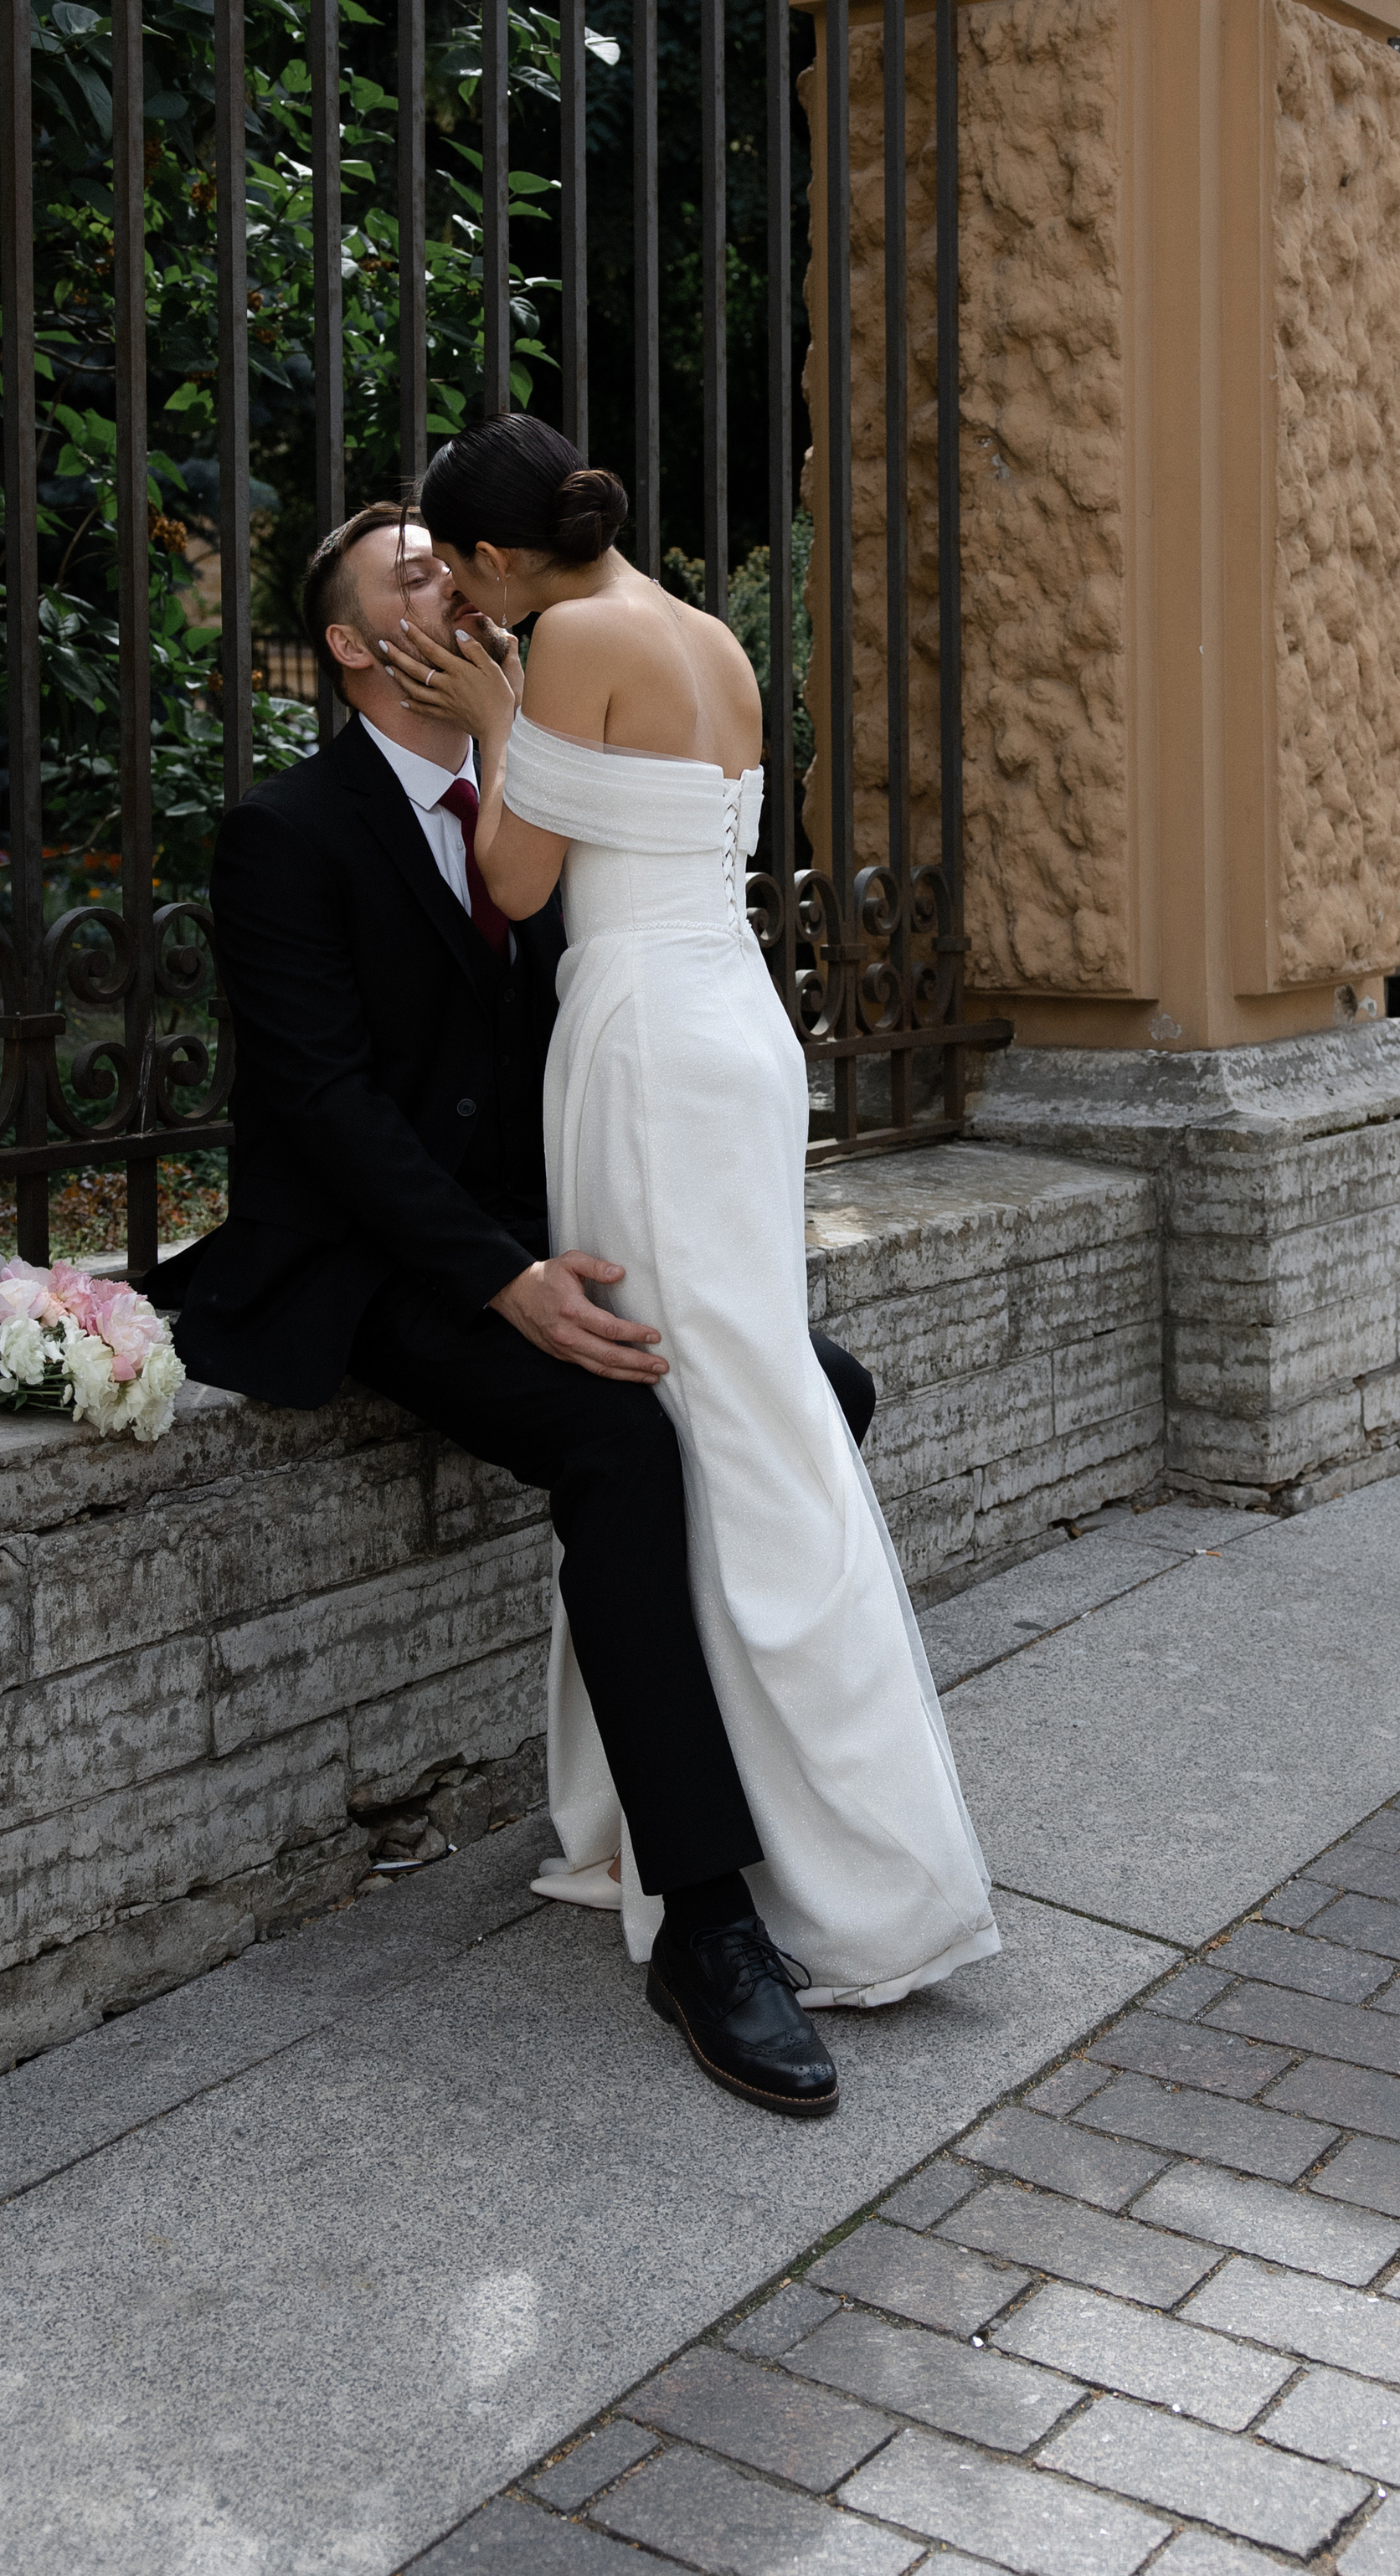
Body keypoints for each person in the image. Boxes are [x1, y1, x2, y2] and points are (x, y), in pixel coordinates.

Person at [155, 503, 878, 2117]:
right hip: (378, 1263)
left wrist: (574, 1250)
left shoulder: (535, 777)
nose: (460, 583)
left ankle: (695, 1779)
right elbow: (332, 1111)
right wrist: (503, 1282)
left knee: (822, 1386)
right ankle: (706, 1925)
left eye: (457, 559)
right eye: (414, 574)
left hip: (558, 1229)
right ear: (350, 646)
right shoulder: (286, 833)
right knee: (621, 1446)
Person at [394, 413, 1001, 2064]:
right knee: (734, 1400)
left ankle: (809, 1865)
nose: (456, 603)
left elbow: (516, 883)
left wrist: (497, 713)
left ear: (499, 560)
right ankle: (684, 1810)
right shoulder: (705, 634)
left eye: (457, 573)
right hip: (729, 1022)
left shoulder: (572, 638)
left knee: (703, 1415)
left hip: (647, 1042)